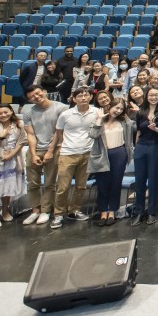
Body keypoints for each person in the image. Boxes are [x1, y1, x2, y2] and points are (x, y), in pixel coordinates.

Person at [50, 89, 101, 229]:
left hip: (87, 153)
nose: (83, 97)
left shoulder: (96, 112)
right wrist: (62, 145)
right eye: (80, 95)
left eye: (86, 95)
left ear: (90, 97)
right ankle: (58, 214)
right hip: (68, 153)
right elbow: (59, 131)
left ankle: (74, 210)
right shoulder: (66, 114)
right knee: (63, 187)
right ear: (74, 99)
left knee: (81, 185)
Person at [20, 87, 65, 226]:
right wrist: (33, 154)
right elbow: (30, 134)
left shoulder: (61, 108)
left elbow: (59, 132)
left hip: (55, 148)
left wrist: (50, 151)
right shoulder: (28, 111)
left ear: (44, 92)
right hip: (35, 149)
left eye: (38, 93)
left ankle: (45, 210)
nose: (36, 96)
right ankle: (35, 210)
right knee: (32, 183)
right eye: (32, 96)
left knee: (49, 183)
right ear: (29, 100)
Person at [88, 98, 133, 226]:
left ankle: (112, 210)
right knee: (102, 184)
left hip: (119, 153)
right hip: (102, 154)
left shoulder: (124, 121)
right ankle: (103, 211)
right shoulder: (100, 120)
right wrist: (98, 120)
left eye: (121, 109)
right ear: (110, 106)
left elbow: (134, 126)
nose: (118, 111)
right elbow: (92, 135)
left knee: (115, 183)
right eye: (116, 108)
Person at [0, 104, 27, 228]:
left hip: (12, 160)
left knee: (8, 187)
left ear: (11, 111)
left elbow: (22, 141)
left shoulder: (18, 126)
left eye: (6, 112)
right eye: (0, 113)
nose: (3, 115)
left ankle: (5, 209)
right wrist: (1, 137)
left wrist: (11, 155)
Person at [131, 87, 158, 226]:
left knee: (153, 180)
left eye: (157, 95)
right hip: (141, 147)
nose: (153, 97)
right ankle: (139, 211)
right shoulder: (141, 112)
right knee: (139, 181)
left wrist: (155, 129)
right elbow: (138, 131)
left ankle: (151, 212)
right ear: (147, 96)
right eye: (151, 95)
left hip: (155, 147)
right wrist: (136, 147)